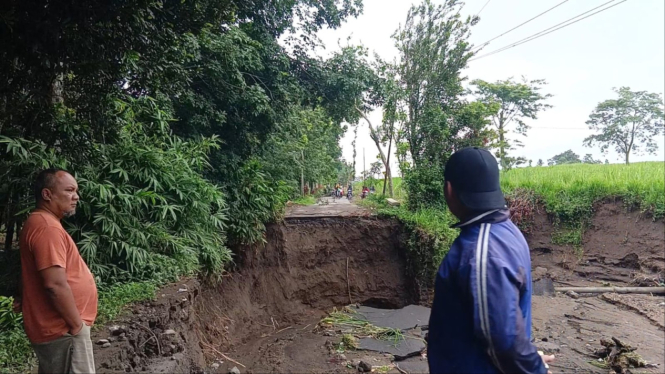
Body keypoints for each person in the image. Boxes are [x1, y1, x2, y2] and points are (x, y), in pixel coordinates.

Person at [427, 147, 554, 374]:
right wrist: (530, 358)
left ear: (449, 190)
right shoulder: (506, 231)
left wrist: (534, 369)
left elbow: (504, 340)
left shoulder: (480, 252)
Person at [19, 169, 98, 373]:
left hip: (61, 330)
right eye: (70, 190)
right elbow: (54, 284)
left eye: (76, 191)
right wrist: (77, 327)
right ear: (47, 194)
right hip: (63, 331)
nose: (76, 196)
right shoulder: (47, 228)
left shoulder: (43, 223)